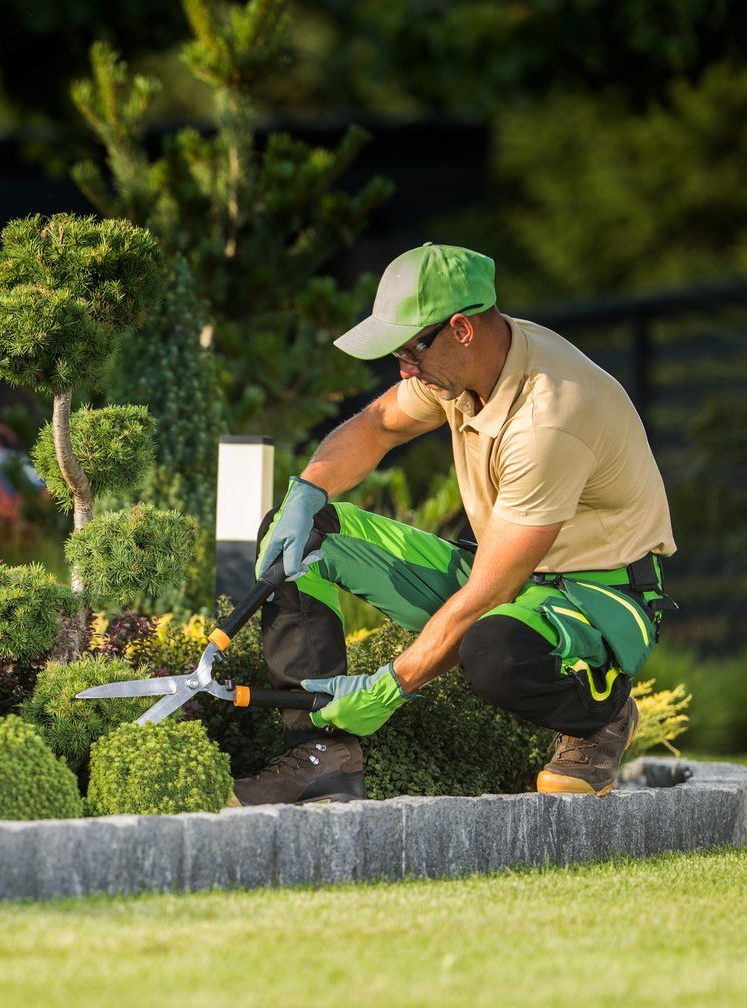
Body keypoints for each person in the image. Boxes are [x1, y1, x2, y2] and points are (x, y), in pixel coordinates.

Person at [233, 243, 676, 806]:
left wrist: (389, 686)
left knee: (494, 650)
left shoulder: (549, 420)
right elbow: (377, 426)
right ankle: (322, 756)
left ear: (461, 329)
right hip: (505, 568)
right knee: (301, 536)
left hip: (595, 598)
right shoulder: (464, 369)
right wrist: (306, 491)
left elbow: (490, 592)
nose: (404, 370)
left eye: (409, 351)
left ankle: (602, 713)